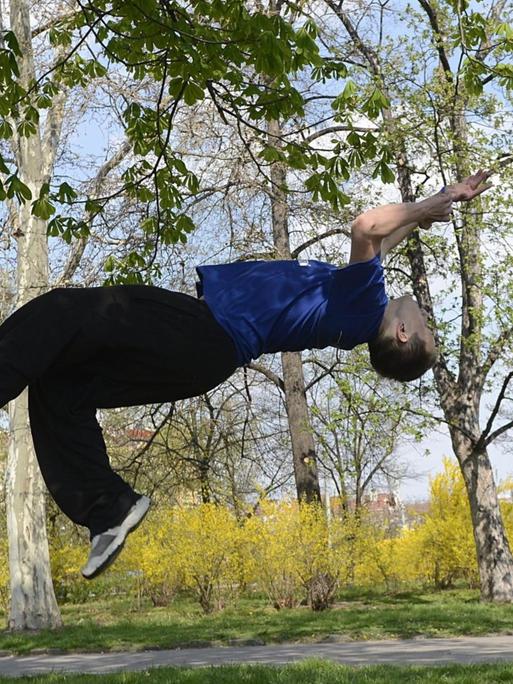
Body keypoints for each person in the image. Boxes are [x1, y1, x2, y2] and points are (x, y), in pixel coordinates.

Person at [0, 170, 491, 579]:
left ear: (403, 334)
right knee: (59, 383)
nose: (427, 314)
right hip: (201, 358)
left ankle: (103, 502)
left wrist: (438, 199)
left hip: (201, 332)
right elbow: (381, 241)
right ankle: (106, 507)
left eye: (426, 326)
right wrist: (428, 213)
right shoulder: (357, 302)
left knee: (60, 313)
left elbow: (367, 226)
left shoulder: (364, 305)